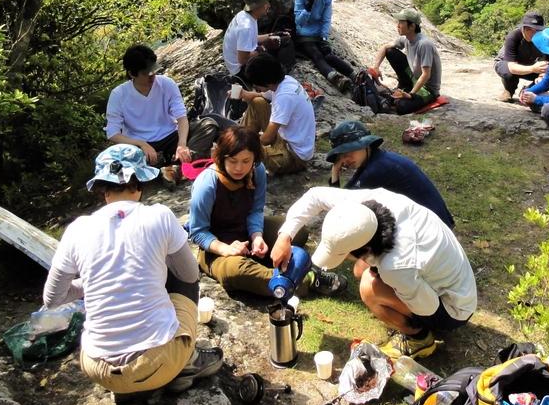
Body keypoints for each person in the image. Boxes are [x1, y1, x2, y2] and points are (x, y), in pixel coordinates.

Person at [43, 145, 223, 404]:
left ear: (103, 191)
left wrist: (92, 284)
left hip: (99, 368)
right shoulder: (159, 216)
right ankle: (187, 361)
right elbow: (189, 274)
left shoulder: (77, 229)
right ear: (140, 185)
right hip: (157, 363)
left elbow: (52, 299)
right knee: (179, 277)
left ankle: (133, 387)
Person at [271, 188, 476, 359]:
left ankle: (419, 338)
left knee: (369, 288)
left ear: (366, 250)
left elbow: (428, 306)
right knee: (362, 271)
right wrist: (285, 235)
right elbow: (315, 196)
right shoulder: (363, 207)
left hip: (453, 308)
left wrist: (388, 281)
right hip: (451, 276)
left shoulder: (396, 266)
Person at [187, 126, 343, 296]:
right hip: (216, 247)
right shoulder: (207, 184)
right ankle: (306, 280)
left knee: (297, 232)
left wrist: (257, 236)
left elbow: (256, 209)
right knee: (235, 271)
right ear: (222, 158)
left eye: (246, 161)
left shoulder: (257, 171)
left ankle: (283, 270)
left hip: (244, 230)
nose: (239, 168)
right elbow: (198, 231)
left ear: (254, 159)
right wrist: (226, 249)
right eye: (233, 161)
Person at [327, 119, 455, 228]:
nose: (345, 160)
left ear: (365, 145)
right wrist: (335, 172)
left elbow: (341, 206)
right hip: (433, 221)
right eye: (341, 157)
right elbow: (345, 196)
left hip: (434, 227)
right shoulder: (376, 159)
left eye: (349, 153)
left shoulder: (376, 169)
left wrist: (335, 176)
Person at [105, 45, 206, 174]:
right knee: (116, 160)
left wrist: (181, 144)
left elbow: (181, 117)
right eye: (146, 73)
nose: (152, 75)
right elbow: (113, 134)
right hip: (139, 145)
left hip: (170, 136)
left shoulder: (166, 83)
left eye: (153, 70)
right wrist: (141, 143)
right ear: (132, 74)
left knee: (207, 125)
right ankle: (177, 164)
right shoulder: (118, 95)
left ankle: (172, 166)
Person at [239, 52, 316, 175]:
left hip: (294, 155)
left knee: (243, 154)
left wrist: (244, 148)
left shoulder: (284, 97)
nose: (255, 87)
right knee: (257, 102)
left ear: (267, 83)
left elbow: (267, 138)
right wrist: (245, 94)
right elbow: (263, 95)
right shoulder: (286, 81)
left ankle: (240, 144)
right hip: (285, 139)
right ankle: (241, 137)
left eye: (256, 85)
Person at [371, 7, 442, 115]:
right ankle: (404, 85)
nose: (398, 25)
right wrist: (376, 67)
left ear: (412, 26)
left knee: (401, 107)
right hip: (413, 79)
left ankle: (408, 91)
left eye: (401, 22)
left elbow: (426, 75)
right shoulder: (407, 39)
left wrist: (411, 95)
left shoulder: (424, 44)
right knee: (390, 51)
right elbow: (385, 47)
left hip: (428, 89)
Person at [294, 0, 354, 93]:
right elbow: (299, 21)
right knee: (316, 55)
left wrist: (324, 37)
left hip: (318, 34)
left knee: (329, 55)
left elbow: (326, 20)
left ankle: (354, 75)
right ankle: (335, 78)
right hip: (304, 34)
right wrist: (308, 7)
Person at [222, 0, 282, 76]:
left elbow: (252, 39)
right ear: (256, 6)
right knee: (281, 49)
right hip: (241, 70)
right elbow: (242, 60)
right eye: (266, 3)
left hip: (242, 62)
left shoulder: (244, 15)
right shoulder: (246, 27)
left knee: (282, 39)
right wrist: (264, 48)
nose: (269, 5)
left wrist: (272, 35)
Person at [495, 11, 549, 102]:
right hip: (509, 64)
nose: (533, 33)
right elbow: (512, 67)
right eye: (529, 29)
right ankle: (509, 90)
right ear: (522, 28)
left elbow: (546, 61)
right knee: (508, 73)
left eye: (537, 30)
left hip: (532, 66)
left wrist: (541, 76)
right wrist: (533, 68)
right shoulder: (514, 37)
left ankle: (529, 91)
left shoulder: (545, 39)